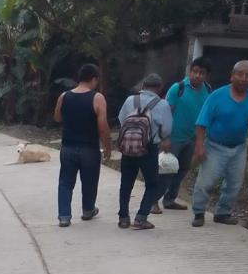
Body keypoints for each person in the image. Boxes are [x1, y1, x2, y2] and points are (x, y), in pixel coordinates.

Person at [191, 60, 248, 227]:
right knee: (206, 181)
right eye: (240, 74)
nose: (243, 78)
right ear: (232, 76)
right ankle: (198, 212)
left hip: (239, 148)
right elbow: (201, 122)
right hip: (215, 146)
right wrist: (199, 146)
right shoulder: (217, 96)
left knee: (234, 184)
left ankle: (222, 213)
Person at [53, 64, 111, 227]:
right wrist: (107, 146)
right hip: (89, 148)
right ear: (94, 79)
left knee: (65, 181)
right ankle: (88, 210)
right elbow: (103, 127)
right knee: (90, 180)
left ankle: (64, 216)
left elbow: (57, 117)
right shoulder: (97, 98)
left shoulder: (64, 96)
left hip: (68, 147)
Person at [152, 57, 212, 214]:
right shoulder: (177, 88)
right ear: (190, 71)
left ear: (206, 75)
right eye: (195, 71)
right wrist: (164, 137)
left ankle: (170, 200)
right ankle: (152, 201)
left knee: (182, 170)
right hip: (173, 138)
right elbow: (166, 112)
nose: (198, 75)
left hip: (192, 139)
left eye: (202, 73)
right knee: (166, 170)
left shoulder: (208, 89)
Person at [117, 73, 172, 230]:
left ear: (143, 86)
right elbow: (167, 129)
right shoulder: (162, 104)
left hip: (128, 148)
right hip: (148, 148)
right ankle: (141, 218)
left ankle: (123, 218)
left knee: (126, 184)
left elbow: (121, 120)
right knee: (152, 183)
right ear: (160, 88)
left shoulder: (130, 100)